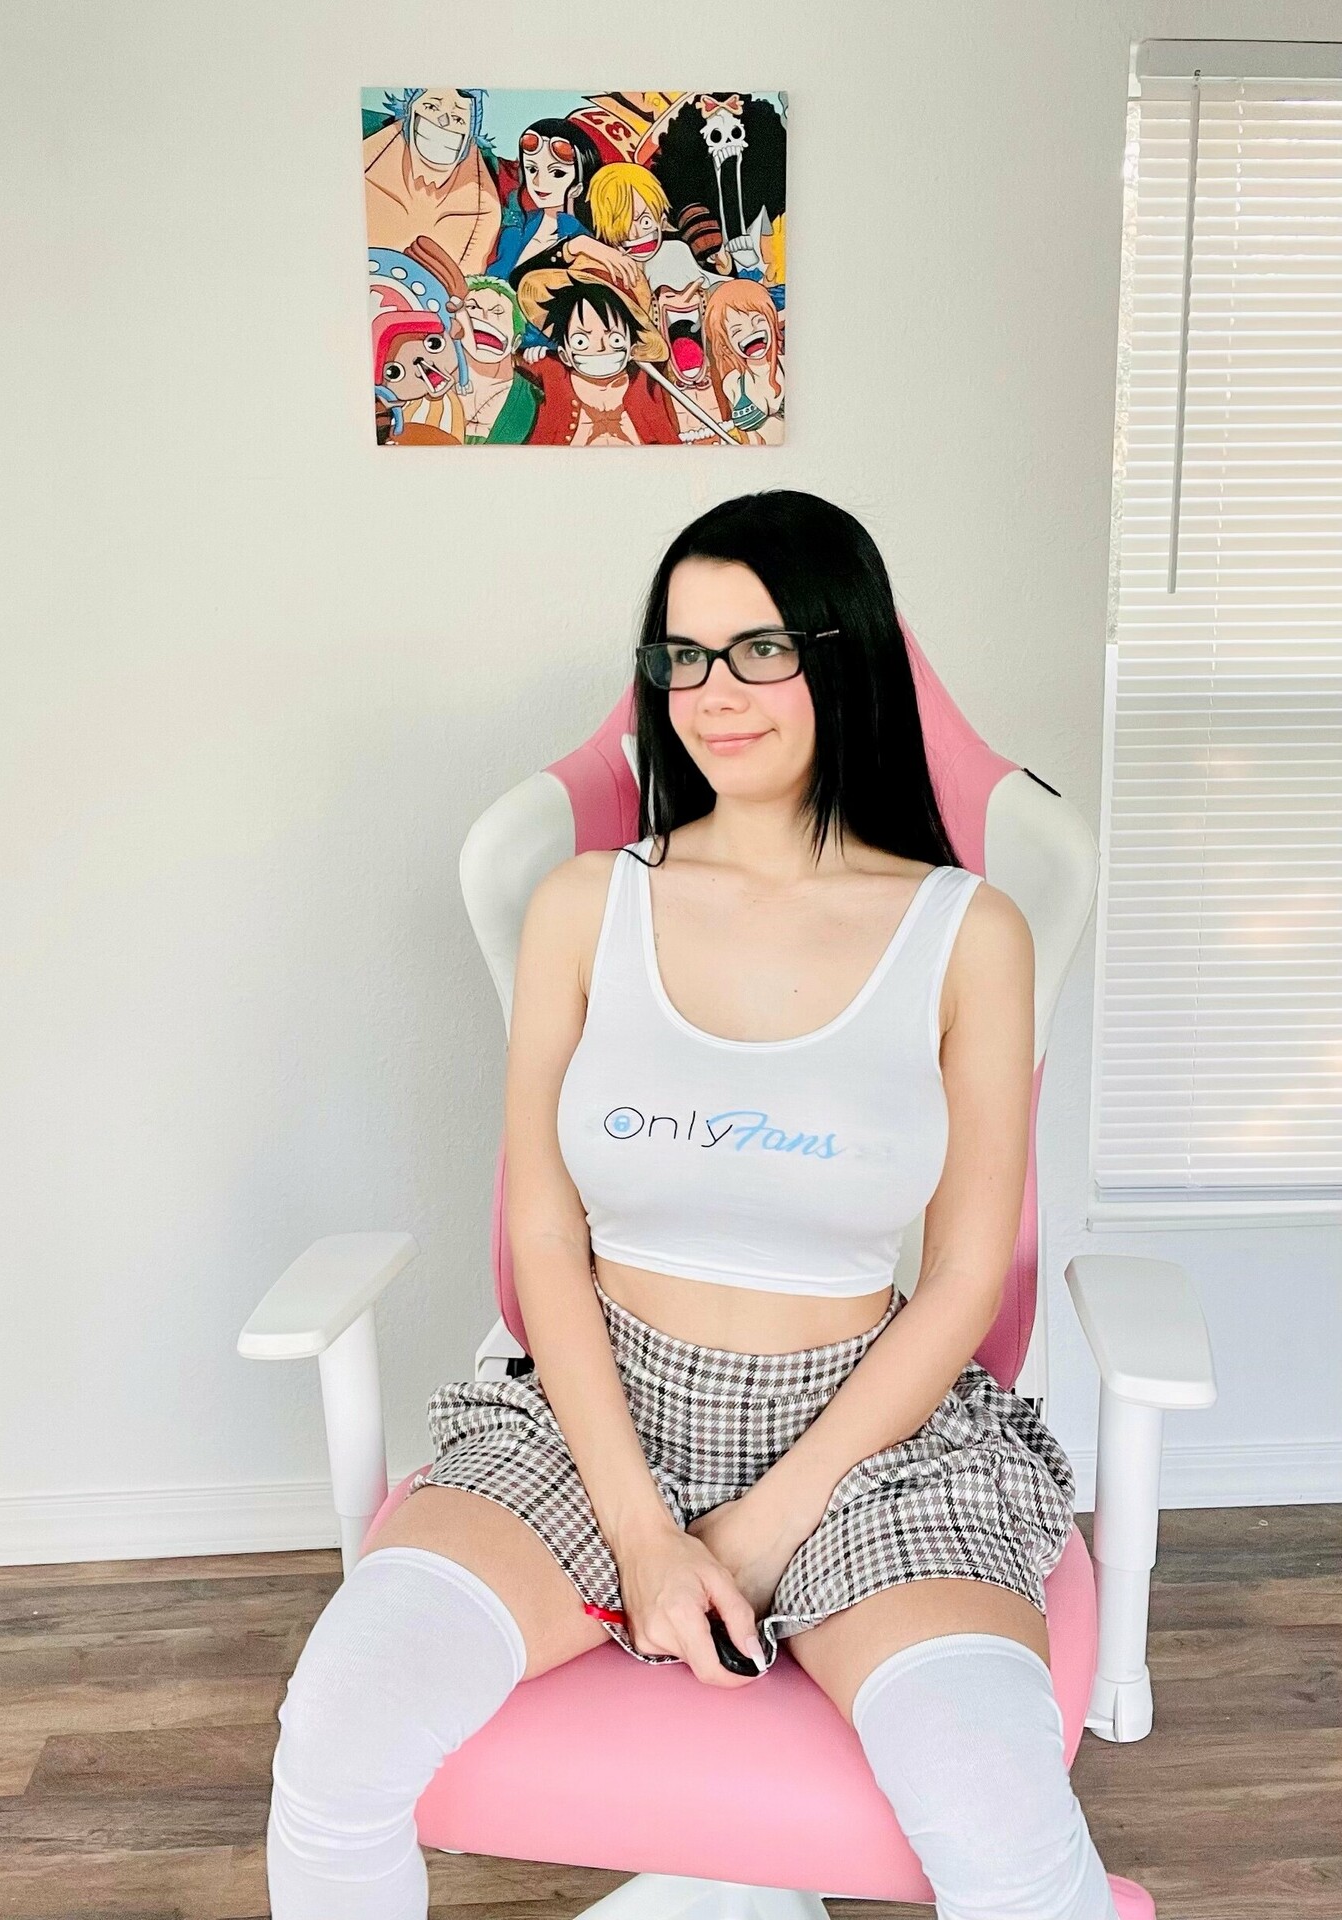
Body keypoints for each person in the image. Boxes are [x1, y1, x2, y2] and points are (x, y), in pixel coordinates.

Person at [266, 490, 1127, 1919]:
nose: (711, 694)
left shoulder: (968, 931)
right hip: (591, 1412)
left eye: (759, 650)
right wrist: (644, 1536)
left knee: (999, 1817)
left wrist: (764, 1527)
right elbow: (547, 1235)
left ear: (846, 654)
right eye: (682, 657)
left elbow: (964, 1280)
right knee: (335, 1742)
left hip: (866, 1440)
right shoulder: (582, 905)